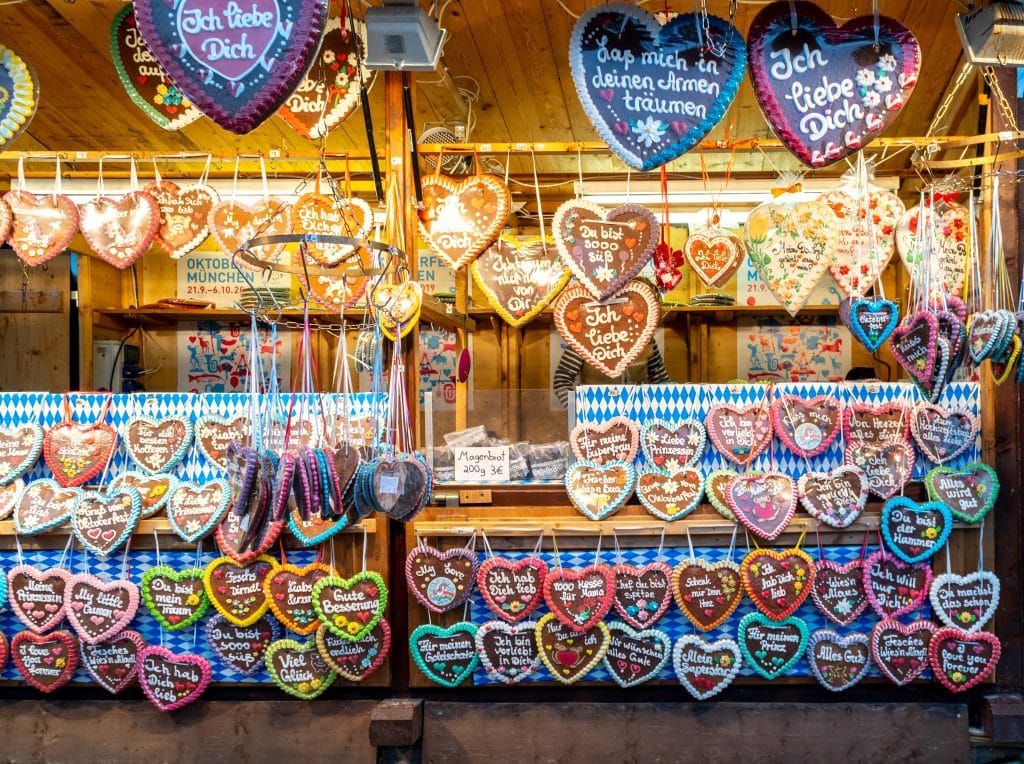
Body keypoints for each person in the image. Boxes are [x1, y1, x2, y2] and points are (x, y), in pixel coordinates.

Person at [553, 341, 670, 408]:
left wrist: (662, 411)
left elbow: (661, 379)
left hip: (639, 417)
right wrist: (578, 411)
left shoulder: (646, 337)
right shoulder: (582, 338)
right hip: (596, 421)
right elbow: (561, 381)